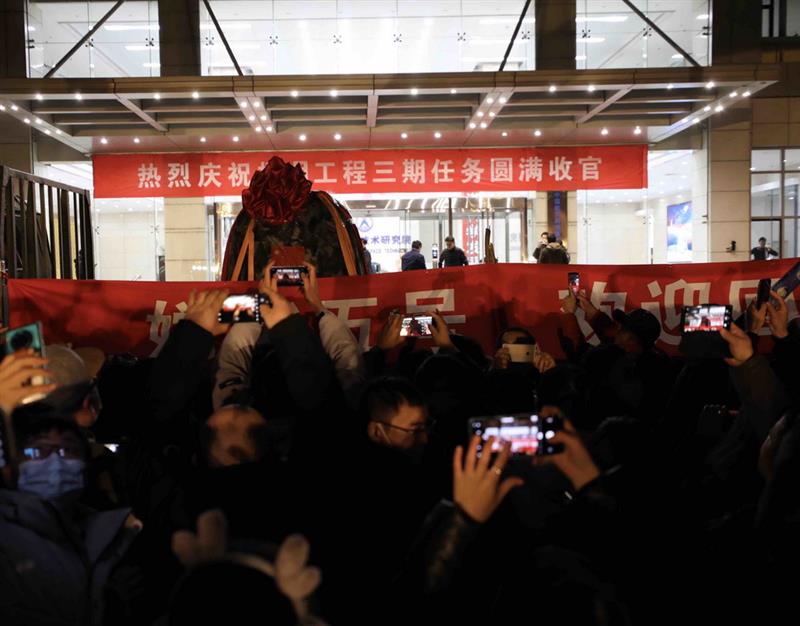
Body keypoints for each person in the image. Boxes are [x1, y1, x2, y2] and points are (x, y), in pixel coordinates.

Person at [0, 416, 142, 625]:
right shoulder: (5, 536)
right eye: (36, 451)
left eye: (68, 450)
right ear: (11, 469)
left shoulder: (113, 534)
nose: (55, 462)